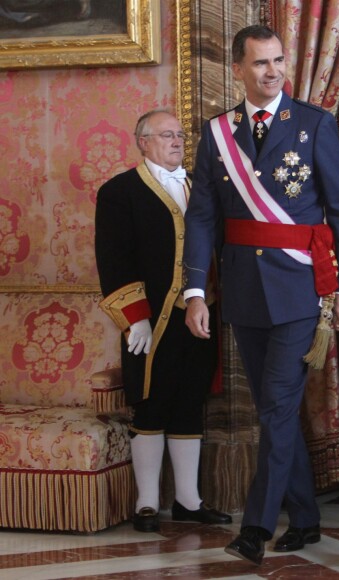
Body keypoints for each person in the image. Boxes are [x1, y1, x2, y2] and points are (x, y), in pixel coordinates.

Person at [183, 25, 339, 566]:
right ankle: (304, 517)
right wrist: (195, 290)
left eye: (279, 60)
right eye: (260, 63)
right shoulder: (217, 134)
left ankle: (256, 526)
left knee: (277, 408)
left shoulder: (313, 124)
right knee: (274, 409)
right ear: (238, 69)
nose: (273, 71)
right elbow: (203, 216)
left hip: (299, 291)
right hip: (242, 292)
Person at [95, 109, 232, 533]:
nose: (177, 141)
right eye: (167, 135)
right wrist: (135, 318)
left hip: (198, 313)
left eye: (179, 135)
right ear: (143, 141)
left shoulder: (200, 187)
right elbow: (114, 260)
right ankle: (148, 502)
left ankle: (189, 501)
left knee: (189, 402)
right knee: (150, 404)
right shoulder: (119, 191)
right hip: (150, 320)